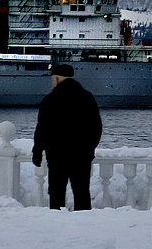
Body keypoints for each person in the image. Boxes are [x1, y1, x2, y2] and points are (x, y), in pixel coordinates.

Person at [31, 63, 102, 210]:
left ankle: (57, 224)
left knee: (56, 193)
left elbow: (42, 129)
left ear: (57, 78)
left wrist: (37, 151)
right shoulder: (87, 98)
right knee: (82, 192)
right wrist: (89, 149)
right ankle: (83, 223)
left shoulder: (50, 100)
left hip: (56, 155)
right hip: (81, 155)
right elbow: (96, 128)